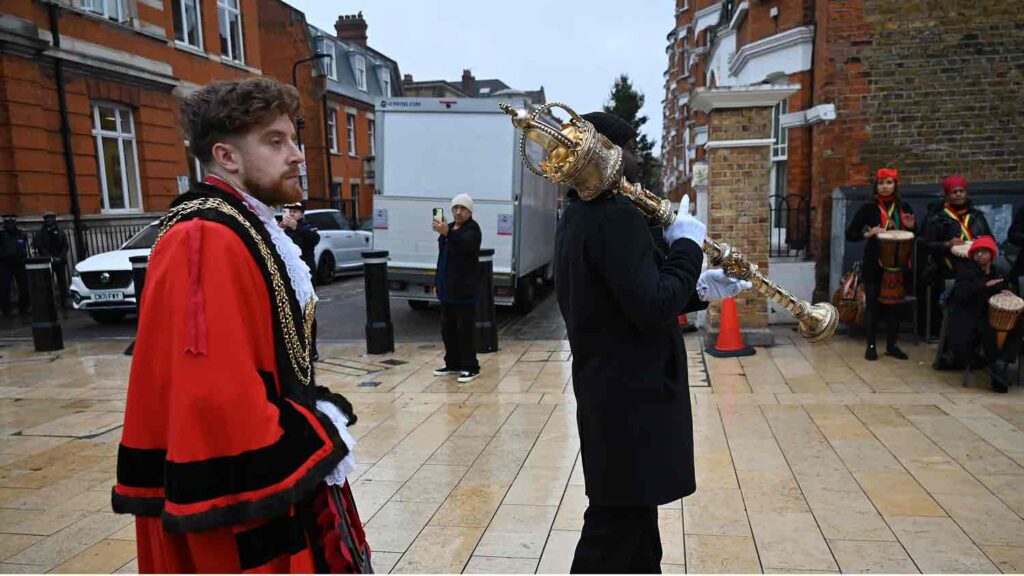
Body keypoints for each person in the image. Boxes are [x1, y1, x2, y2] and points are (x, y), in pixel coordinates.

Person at [112, 77, 370, 573]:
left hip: (271, 474)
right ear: (227, 157)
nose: (297, 155)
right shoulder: (202, 238)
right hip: (241, 509)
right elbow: (213, 397)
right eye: (276, 142)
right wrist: (315, 431)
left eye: (293, 139)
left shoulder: (240, 222)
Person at [557, 112, 751, 574]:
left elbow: (628, 292)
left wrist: (699, 289)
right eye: (631, 147)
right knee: (613, 529)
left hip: (612, 393)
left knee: (635, 530)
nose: (638, 156)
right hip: (631, 399)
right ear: (606, 149)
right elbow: (649, 302)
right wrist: (686, 246)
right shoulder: (614, 216)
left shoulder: (581, 213)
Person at [844, 168, 916, 360]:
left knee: (895, 306)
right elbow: (850, 234)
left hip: (898, 265)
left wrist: (911, 227)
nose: (885, 187)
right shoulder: (868, 208)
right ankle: (871, 345)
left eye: (889, 182)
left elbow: (916, 235)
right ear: (876, 186)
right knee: (874, 305)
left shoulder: (904, 207)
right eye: (881, 183)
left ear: (895, 185)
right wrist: (868, 234)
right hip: (875, 263)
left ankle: (892, 345)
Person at [941, 235, 1022, 393]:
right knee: (991, 330)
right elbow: (960, 295)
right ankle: (997, 369)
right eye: (977, 252)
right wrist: (983, 286)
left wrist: (1008, 293)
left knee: (1015, 325)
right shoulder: (967, 273)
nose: (979, 255)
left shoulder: (998, 272)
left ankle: (1001, 363)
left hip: (993, 315)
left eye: (983, 252)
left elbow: (1007, 288)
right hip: (972, 316)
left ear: (991, 255)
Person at [922, 175, 992, 337]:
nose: (959, 195)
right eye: (954, 192)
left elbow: (990, 239)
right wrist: (946, 244)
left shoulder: (977, 216)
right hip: (947, 270)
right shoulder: (937, 218)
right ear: (947, 195)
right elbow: (925, 244)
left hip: (976, 269)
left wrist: (981, 243)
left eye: (961, 191)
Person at [432, 193, 482, 383]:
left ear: (470, 211)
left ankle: (470, 366)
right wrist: (437, 282)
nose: (458, 212)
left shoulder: (472, 229)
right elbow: (442, 258)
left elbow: (466, 246)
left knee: (465, 329)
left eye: (463, 209)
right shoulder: (450, 228)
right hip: (447, 288)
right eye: (455, 208)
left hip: (464, 289)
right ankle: (452, 363)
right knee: (448, 328)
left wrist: (447, 234)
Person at [282, 202, 322, 361]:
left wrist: (296, 227)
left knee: (309, 314)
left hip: (307, 279)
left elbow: (314, 239)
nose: (291, 214)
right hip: (289, 278)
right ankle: (296, 348)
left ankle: (312, 349)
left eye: (295, 211)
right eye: (289, 211)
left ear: (301, 214)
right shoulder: (283, 229)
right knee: (292, 314)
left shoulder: (308, 227)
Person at [33, 212, 71, 307]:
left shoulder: (60, 232)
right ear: (45, 220)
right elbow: (40, 247)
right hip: (47, 261)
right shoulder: (40, 233)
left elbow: (65, 246)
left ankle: (64, 301)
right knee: (47, 283)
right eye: (47, 218)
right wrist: (50, 257)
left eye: (51, 218)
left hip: (60, 261)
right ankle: (49, 302)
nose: (49, 220)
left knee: (62, 282)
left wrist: (60, 257)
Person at [0, 214, 30, 317]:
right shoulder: (1, 234)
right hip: (5, 263)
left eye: (12, 222)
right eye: (8, 223)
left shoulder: (20, 233)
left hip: (19, 262)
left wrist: (23, 255)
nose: (10, 224)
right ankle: (7, 310)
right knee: (5, 288)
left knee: (24, 286)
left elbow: (24, 246)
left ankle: (24, 307)